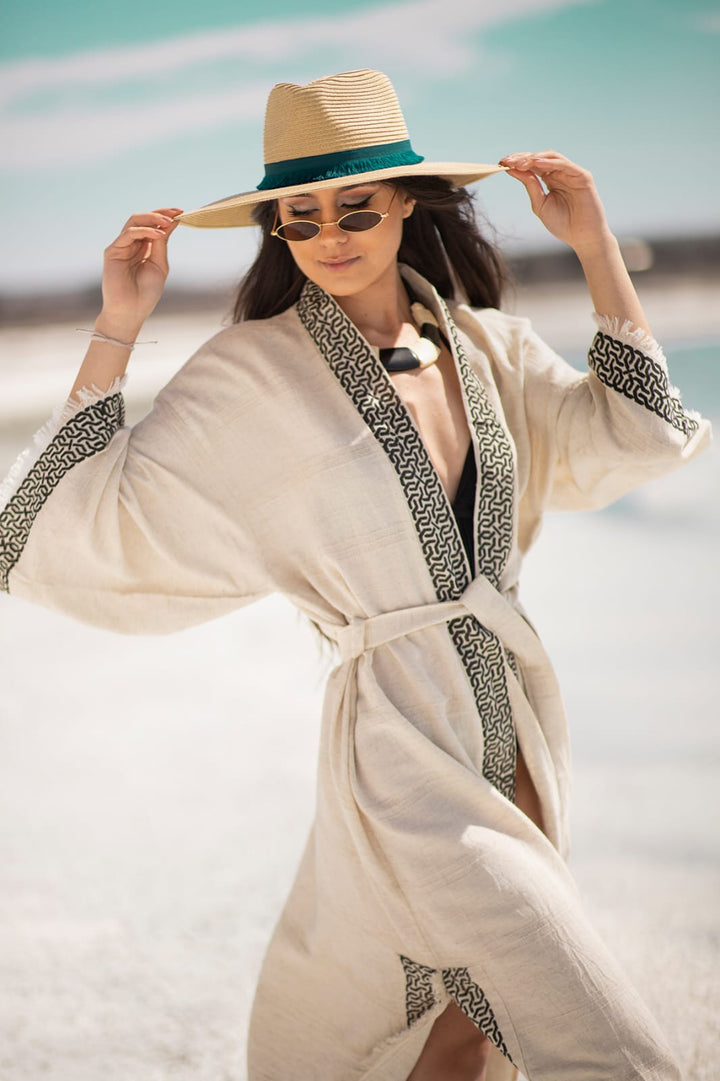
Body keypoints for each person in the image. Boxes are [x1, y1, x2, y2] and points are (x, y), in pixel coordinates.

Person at [0, 68, 710, 1081]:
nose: (329, 233)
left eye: (356, 206)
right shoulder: (250, 374)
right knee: (603, 1038)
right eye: (300, 214)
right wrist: (119, 325)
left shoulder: (487, 347)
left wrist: (596, 247)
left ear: (407, 204)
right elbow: (56, 529)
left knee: (463, 1031)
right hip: (395, 759)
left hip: (517, 737)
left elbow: (638, 436)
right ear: (276, 228)